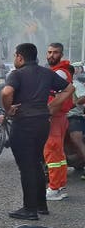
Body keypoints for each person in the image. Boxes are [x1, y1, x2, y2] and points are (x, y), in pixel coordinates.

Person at [1, 43, 74, 220]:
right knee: (36, 163)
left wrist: (8, 108)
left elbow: (6, 92)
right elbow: (70, 88)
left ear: (20, 57)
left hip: (23, 123)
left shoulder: (16, 74)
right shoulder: (46, 72)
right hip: (43, 123)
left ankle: (29, 209)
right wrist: (52, 106)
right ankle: (41, 205)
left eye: (15, 56)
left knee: (26, 167)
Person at [44, 43, 74, 200]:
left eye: (55, 53)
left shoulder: (59, 74)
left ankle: (54, 188)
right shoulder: (60, 71)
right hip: (60, 118)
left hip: (54, 117)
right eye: (49, 52)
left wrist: (47, 114)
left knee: (52, 153)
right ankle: (60, 185)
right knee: (59, 154)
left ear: (61, 55)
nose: (51, 55)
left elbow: (56, 98)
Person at [67, 68, 85, 177]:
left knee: (75, 138)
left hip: (74, 116)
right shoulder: (56, 85)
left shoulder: (76, 85)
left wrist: (73, 105)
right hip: (57, 117)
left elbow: (83, 97)